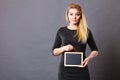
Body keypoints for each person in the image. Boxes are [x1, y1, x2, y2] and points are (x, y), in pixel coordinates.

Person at [52, 3, 98, 80]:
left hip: (81, 70)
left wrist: (89, 58)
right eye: (71, 14)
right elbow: (54, 52)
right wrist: (64, 48)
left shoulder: (86, 31)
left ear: (80, 16)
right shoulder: (61, 31)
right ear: (67, 15)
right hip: (65, 72)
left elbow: (95, 50)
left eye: (77, 14)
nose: (74, 17)